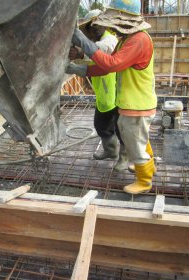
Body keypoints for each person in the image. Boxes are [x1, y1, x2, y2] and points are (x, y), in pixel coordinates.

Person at [66, 0, 157, 194]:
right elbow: (103, 67)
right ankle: (147, 166)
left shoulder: (138, 40)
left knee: (134, 142)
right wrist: (76, 69)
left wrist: (84, 43)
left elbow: (112, 64)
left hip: (137, 105)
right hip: (132, 103)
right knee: (139, 139)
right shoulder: (127, 39)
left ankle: (144, 180)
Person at [68, 9, 129, 171]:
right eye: (89, 27)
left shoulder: (110, 39)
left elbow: (101, 51)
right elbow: (92, 59)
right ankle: (111, 151)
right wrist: (75, 65)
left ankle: (124, 157)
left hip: (116, 94)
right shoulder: (98, 40)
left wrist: (81, 51)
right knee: (101, 124)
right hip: (104, 93)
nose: (92, 30)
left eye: (94, 26)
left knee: (120, 128)